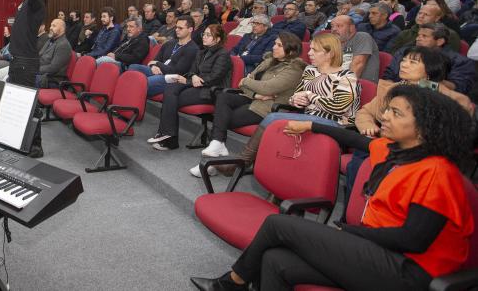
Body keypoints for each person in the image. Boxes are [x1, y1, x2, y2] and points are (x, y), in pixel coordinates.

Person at [191, 85, 474, 291]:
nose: (385, 116)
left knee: (278, 224)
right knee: (276, 260)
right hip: (377, 250)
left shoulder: (437, 172)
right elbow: (350, 137)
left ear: (424, 127)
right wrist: (309, 125)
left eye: (396, 113)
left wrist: (347, 231)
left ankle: (232, 283)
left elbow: (413, 240)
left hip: (409, 271)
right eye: (387, 109)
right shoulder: (393, 150)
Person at [221, 32, 360, 174]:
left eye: (315, 50)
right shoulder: (311, 71)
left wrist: (310, 96)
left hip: (335, 123)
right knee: (276, 122)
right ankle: (261, 168)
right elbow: (294, 97)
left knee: (273, 118)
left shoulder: (346, 77)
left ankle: (243, 162)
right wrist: (296, 100)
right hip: (310, 118)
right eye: (310, 49)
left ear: (330, 53)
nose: (309, 53)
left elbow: (339, 107)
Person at [187, 32, 306, 177]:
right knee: (223, 96)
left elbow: (266, 88)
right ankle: (217, 146)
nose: (274, 47)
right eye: (275, 43)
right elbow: (243, 85)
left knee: (222, 119)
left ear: (291, 51)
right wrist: (255, 93)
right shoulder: (269, 61)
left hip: (267, 107)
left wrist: (247, 81)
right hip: (254, 98)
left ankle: (214, 156)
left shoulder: (294, 70)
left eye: (279, 45)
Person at [148, 24, 231, 151]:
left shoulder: (223, 54)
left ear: (218, 39)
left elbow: (214, 77)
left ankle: (169, 138)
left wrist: (191, 80)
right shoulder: (202, 52)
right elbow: (192, 71)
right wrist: (192, 77)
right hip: (196, 86)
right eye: (204, 34)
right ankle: (167, 134)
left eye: (208, 35)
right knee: (170, 88)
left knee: (172, 98)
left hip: (211, 91)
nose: (204, 37)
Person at [7, 0, 48, 156]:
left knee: (29, 105)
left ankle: (35, 146)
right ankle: (21, 140)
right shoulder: (27, 5)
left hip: (25, 63)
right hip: (18, 61)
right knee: (18, 102)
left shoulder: (36, 5)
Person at [382, 24, 475, 95]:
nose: (418, 38)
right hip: (395, 92)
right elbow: (389, 74)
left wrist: (421, 82)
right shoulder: (405, 51)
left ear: (440, 41)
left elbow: (458, 88)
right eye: (418, 35)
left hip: (434, 99)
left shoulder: (460, 62)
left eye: (424, 36)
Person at [129, 16, 199, 96]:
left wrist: (157, 64)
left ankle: (130, 96)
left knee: (144, 81)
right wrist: (153, 66)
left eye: (180, 28)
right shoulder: (169, 43)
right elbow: (154, 60)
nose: (176, 30)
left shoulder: (192, 49)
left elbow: (176, 71)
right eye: (176, 27)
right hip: (158, 71)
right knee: (133, 67)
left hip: (171, 78)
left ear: (190, 29)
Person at [390, 2, 461, 54]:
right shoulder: (405, 33)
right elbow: (392, 53)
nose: (421, 16)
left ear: (437, 18)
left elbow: (449, 58)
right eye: (420, 13)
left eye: (426, 14)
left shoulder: (449, 35)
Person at [331, 14, 380, 84]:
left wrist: (344, 86)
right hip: (334, 81)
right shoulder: (334, 43)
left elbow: (357, 65)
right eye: (332, 26)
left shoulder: (362, 37)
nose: (334, 29)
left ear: (351, 28)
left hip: (359, 85)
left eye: (339, 26)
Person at [37, 18, 72, 88]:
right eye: (51, 25)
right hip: (41, 73)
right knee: (19, 73)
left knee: (23, 78)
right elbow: (39, 55)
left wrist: (35, 69)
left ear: (62, 29)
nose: (50, 28)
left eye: (54, 26)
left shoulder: (63, 45)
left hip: (51, 79)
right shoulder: (50, 40)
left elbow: (53, 68)